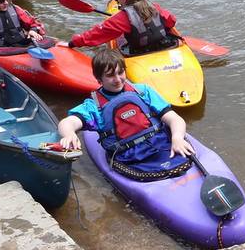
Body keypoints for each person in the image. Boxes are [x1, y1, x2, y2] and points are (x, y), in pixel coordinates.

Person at [57, 46, 194, 178]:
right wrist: (69, 134)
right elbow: (68, 122)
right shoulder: (94, 106)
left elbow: (174, 119)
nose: (118, 79)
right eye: (110, 75)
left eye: (120, 72)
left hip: (160, 143)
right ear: (99, 79)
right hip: (129, 156)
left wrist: (177, 138)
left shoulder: (143, 91)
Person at [64, 0, 179, 56]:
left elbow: (96, 35)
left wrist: (73, 42)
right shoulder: (154, 6)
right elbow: (171, 20)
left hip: (139, 53)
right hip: (164, 45)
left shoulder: (122, 17)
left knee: (122, 38)